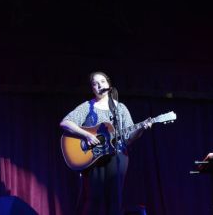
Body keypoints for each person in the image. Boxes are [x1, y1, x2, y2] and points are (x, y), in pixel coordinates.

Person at [60, 71, 152, 215]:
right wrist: (87, 136)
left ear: (108, 84)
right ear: (93, 89)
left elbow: (128, 138)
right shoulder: (87, 106)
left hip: (118, 157)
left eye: (102, 82)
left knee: (115, 200)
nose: (99, 85)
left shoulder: (120, 108)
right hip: (93, 159)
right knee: (92, 199)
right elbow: (65, 123)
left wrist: (141, 129)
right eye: (95, 84)